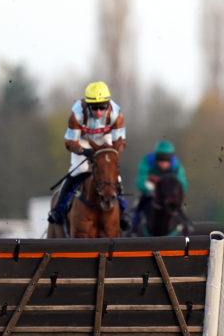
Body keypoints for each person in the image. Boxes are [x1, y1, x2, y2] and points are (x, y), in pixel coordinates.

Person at [47, 81, 131, 230]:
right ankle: (58, 210)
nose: (98, 112)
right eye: (94, 107)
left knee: (113, 175)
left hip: (106, 140)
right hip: (83, 141)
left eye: (102, 107)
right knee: (79, 169)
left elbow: (120, 141)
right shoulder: (77, 112)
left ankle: (123, 211)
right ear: (87, 105)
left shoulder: (116, 114)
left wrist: (108, 158)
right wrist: (83, 151)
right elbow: (70, 142)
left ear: (108, 104)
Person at [132, 141, 188, 230]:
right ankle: (134, 224)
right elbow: (140, 182)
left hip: (169, 190)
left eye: (166, 159)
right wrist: (152, 192)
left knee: (181, 206)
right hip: (152, 188)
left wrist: (174, 195)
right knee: (138, 203)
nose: (163, 163)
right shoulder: (147, 160)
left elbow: (183, 185)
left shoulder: (176, 165)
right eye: (160, 159)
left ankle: (185, 224)